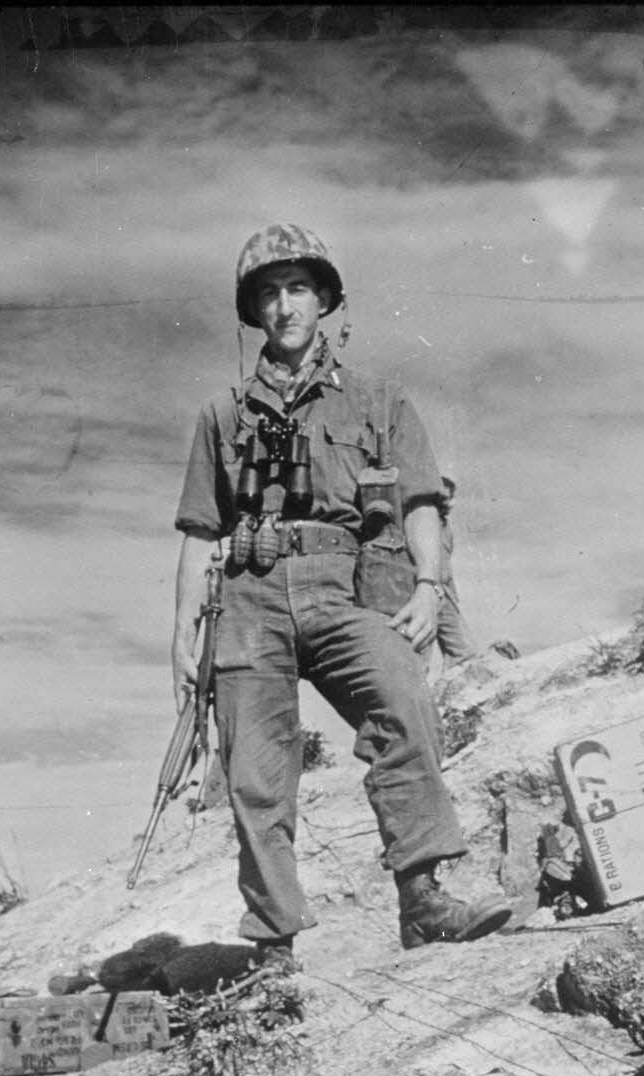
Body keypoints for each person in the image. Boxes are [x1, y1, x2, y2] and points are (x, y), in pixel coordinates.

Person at [171, 223, 511, 968]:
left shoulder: (378, 401)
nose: (284, 306)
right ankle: (273, 947)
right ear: (253, 310)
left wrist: (428, 585)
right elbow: (200, 530)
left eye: (297, 289)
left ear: (322, 299)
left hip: (345, 587)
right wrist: (180, 637)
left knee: (404, 705)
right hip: (247, 595)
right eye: (267, 292)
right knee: (256, 774)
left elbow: (421, 502)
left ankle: (422, 900)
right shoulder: (222, 415)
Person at [435, 476, 479, 667]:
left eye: (450, 498)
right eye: (444, 497)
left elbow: (447, 565)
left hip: (445, 593)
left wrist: (453, 596)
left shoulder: (446, 527)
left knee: (462, 651)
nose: (449, 503)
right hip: (426, 590)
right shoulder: (419, 525)